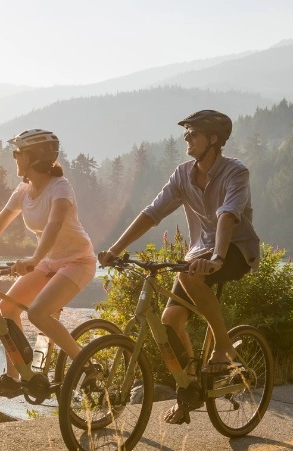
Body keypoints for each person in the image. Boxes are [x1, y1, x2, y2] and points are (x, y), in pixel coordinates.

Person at [99, 109, 260, 424]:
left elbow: (228, 215)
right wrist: (115, 249)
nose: (187, 138)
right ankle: (188, 388)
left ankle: (224, 346)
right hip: (197, 254)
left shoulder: (235, 173)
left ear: (213, 140)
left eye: (193, 133)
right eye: (186, 133)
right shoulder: (182, 174)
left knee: (190, 271)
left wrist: (217, 258)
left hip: (236, 250)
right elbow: (152, 212)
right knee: (169, 321)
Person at [0, 129, 98, 398]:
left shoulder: (60, 188)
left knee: (38, 313)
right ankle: (13, 378)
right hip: (47, 261)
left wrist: (33, 260)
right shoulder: (24, 190)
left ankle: (87, 364)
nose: (14, 157)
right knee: (7, 308)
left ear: (33, 157)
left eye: (18, 153)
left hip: (77, 261)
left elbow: (54, 225)